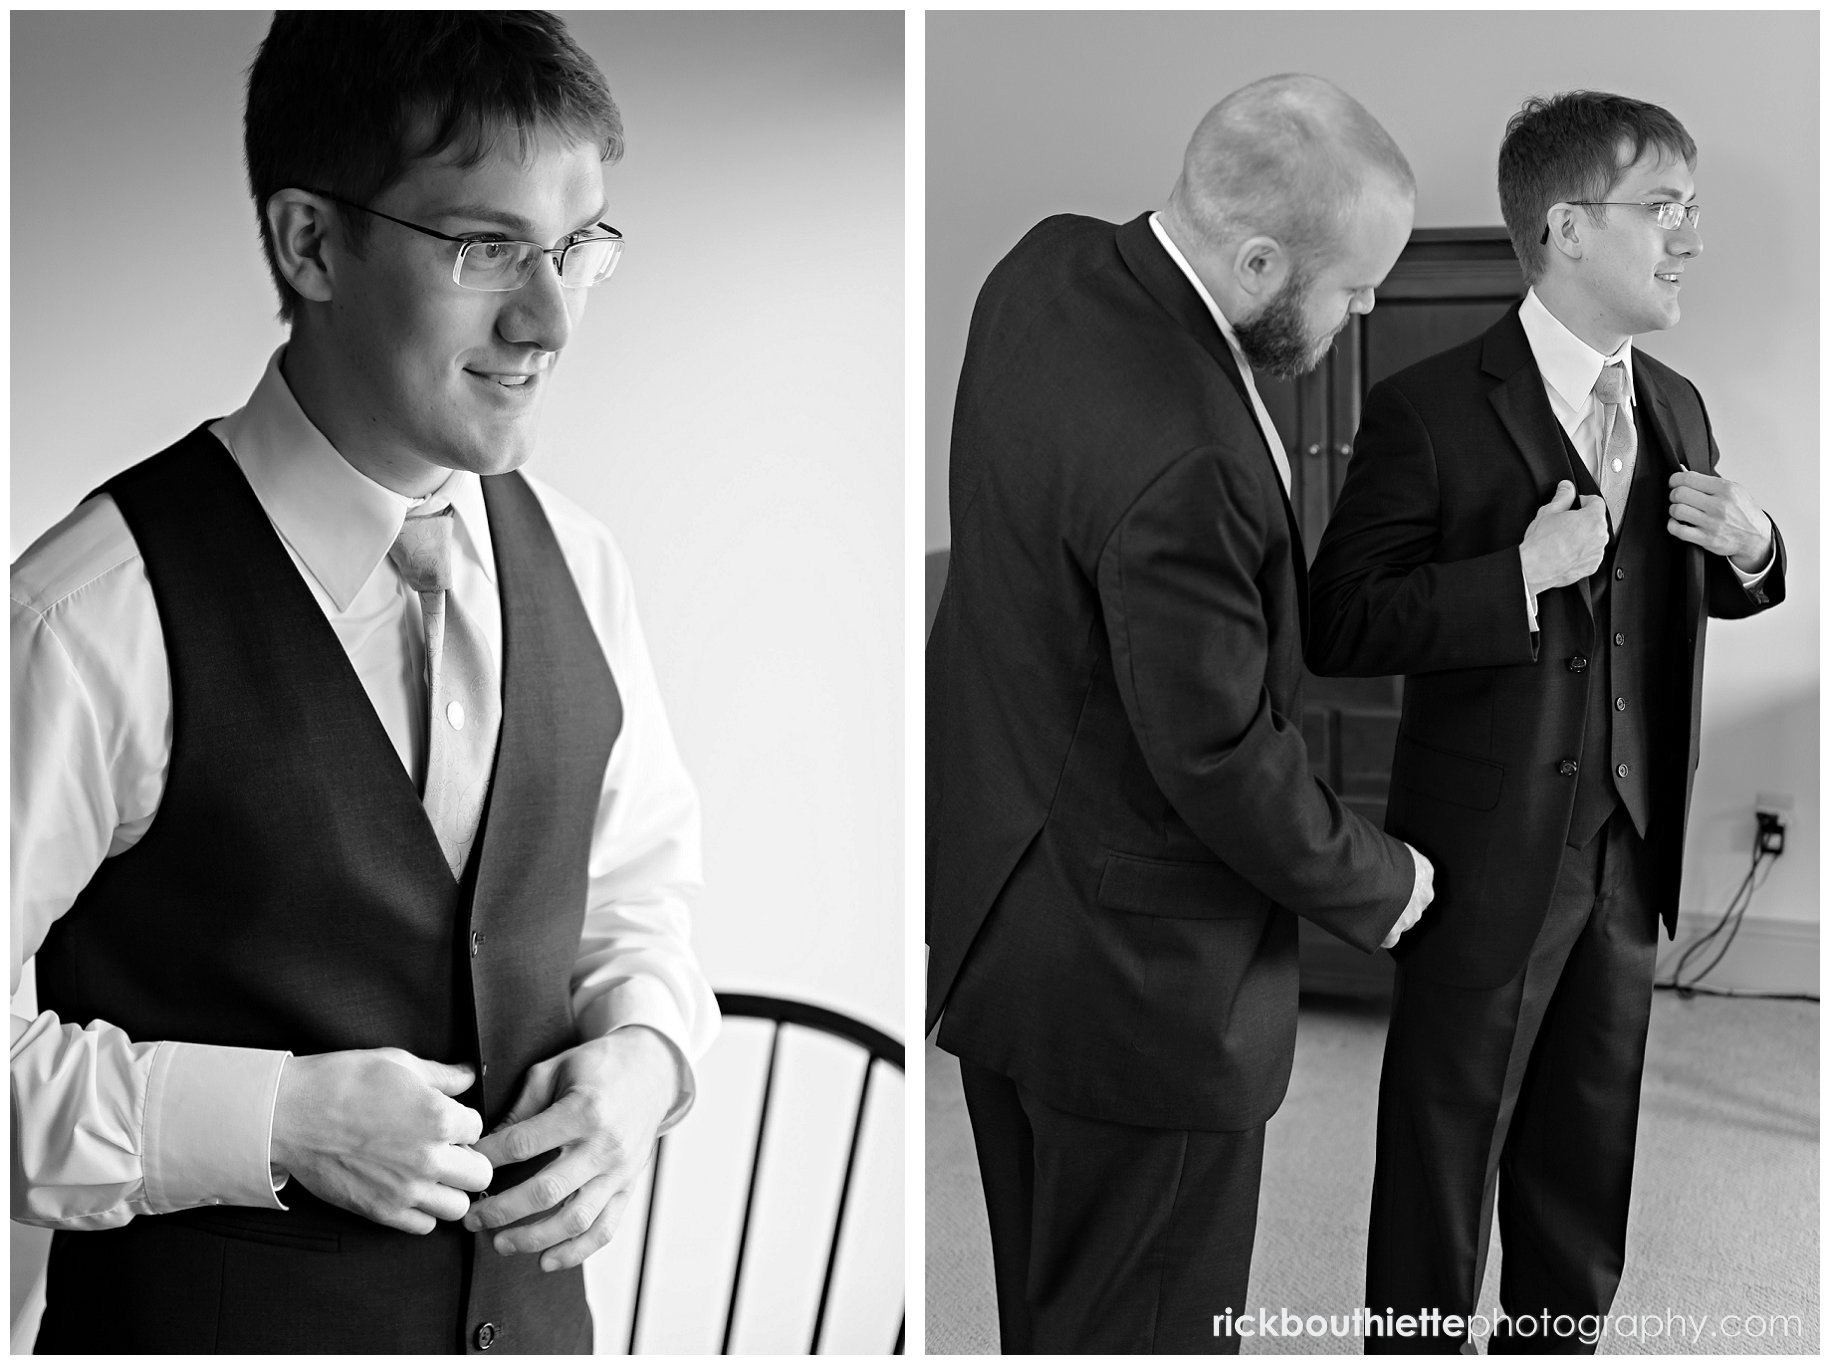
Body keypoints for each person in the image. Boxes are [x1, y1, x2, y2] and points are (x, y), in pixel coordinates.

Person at [10, 13, 718, 1353]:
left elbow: (633, 895)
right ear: (310, 242)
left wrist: (643, 1060)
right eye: (484, 245)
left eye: (576, 246)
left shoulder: (585, 565)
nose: (550, 317)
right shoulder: (86, 613)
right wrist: (275, 1121)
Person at [926, 74, 1436, 1354]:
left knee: (1054, 1311)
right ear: (1260, 259)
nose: (1365, 310)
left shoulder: (1039, 268)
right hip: (1138, 990)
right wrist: (1386, 880)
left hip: (1002, 918)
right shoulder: (1191, 462)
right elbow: (1216, 756)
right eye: (1352, 285)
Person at [1305, 91, 1784, 1353]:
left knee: (1586, 1156)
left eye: (1693, 212)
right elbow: (1338, 623)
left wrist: (1755, 546)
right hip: (1482, 859)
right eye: (1662, 209)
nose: (1686, 238)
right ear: (1569, 226)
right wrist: (1514, 574)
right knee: (1440, 1159)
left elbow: (1680, 599)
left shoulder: (1675, 402)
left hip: (1630, 854)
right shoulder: (1427, 408)